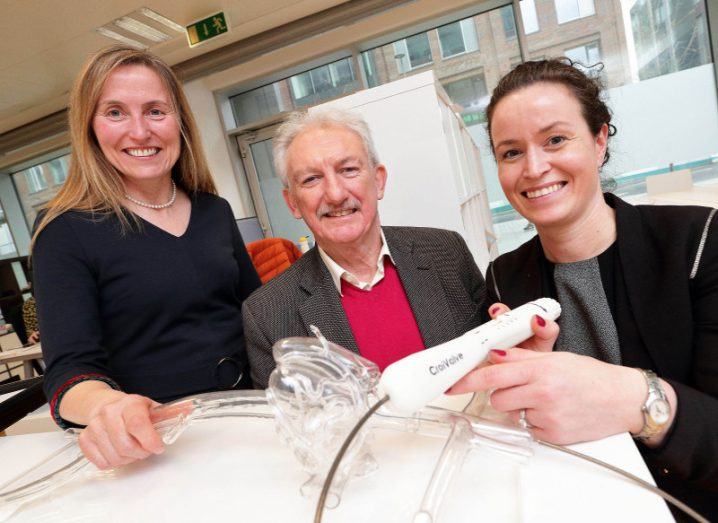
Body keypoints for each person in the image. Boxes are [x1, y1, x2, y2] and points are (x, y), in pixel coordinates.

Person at [449, 58, 717, 518]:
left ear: (598, 141)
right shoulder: (502, 278)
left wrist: (638, 400)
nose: (534, 167)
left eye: (555, 139)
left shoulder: (699, 243)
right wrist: (522, 385)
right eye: (511, 152)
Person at [32, 46, 261, 470]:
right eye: (115, 112)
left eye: (155, 111)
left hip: (253, 418)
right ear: (89, 127)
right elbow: (69, 372)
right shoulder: (64, 230)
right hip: (159, 446)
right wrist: (106, 406)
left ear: (179, 122)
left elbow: (260, 314)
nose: (140, 132)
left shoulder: (213, 210)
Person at [243, 109, 485, 388]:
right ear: (292, 203)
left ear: (379, 180)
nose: (335, 194)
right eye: (311, 179)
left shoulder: (446, 253)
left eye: (348, 170)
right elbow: (285, 425)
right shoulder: (267, 314)